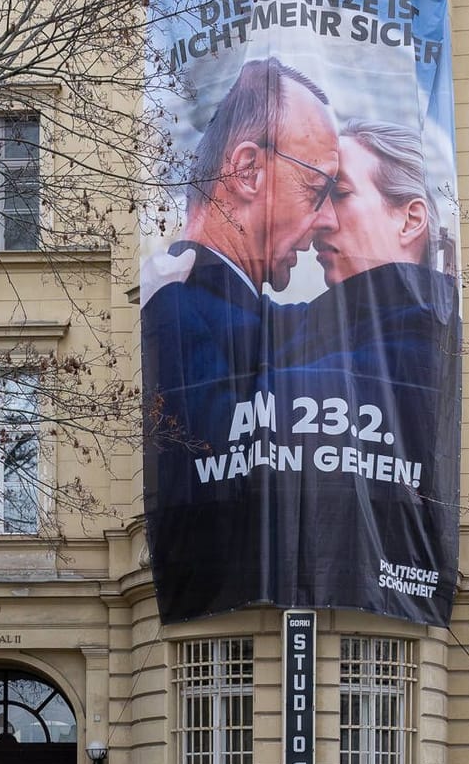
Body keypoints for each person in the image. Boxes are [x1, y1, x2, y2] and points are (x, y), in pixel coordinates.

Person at [140, 57, 339, 621]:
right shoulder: (183, 306)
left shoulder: (198, 295)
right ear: (247, 171)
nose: (327, 221)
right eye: (317, 188)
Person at [276, 119, 460, 622]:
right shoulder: (322, 323)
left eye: (340, 195)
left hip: (378, 569)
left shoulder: (420, 337)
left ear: (410, 219)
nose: (320, 221)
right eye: (319, 200)